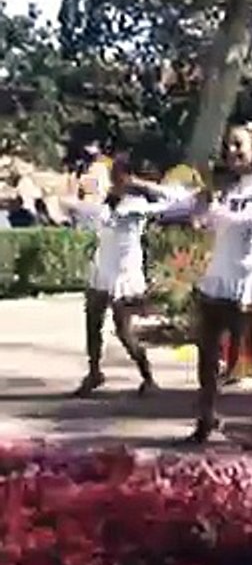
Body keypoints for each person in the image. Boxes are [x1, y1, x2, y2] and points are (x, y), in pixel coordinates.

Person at [184, 122, 252, 450]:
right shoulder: (228, 188)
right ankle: (205, 418)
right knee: (206, 351)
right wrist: (200, 208)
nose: (231, 152)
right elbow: (200, 218)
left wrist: (213, 210)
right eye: (228, 146)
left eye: (238, 145)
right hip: (219, 276)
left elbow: (250, 218)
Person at [60, 153, 182, 397]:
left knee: (123, 330)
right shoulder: (107, 200)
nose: (113, 177)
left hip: (124, 274)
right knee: (92, 323)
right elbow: (81, 208)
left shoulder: (136, 205)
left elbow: (174, 199)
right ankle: (94, 372)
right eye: (113, 172)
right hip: (102, 268)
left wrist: (140, 184)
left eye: (118, 172)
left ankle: (148, 376)